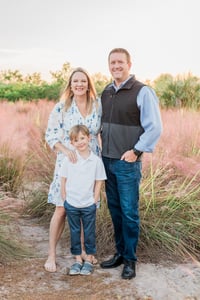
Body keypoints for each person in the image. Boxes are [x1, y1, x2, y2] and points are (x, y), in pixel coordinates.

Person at [100, 48, 162, 279]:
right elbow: (99, 123)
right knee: (114, 210)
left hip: (127, 163)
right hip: (106, 161)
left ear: (129, 64)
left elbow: (155, 127)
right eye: (112, 63)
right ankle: (119, 253)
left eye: (120, 62)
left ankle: (130, 260)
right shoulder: (106, 92)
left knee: (129, 212)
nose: (116, 66)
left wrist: (136, 151)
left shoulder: (142, 91)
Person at [44, 67, 102, 272]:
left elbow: (100, 132)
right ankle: (51, 254)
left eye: (83, 81)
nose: (79, 84)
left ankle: (84, 252)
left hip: (90, 162)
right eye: (75, 81)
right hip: (68, 162)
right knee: (61, 208)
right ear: (70, 85)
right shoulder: (62, 107)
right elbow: (50, 135)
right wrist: (64, 150)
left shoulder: (97, 105)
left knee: (86, 208)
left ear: (88, 85)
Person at [60, 124, 107, 275]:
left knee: (89, 232)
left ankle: (89, 259)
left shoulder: (96, 161)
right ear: (71, 143)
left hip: (88, 204)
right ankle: (78, 259)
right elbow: (63, 178)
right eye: (76, 140)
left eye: (82, 138)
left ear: (89, 138)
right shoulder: (70, 159)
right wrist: (64, 197)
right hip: (72, 202)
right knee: (74, 231)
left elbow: (99, 180)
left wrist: (95, 199)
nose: (80, 142)